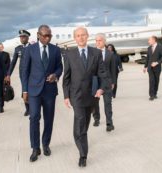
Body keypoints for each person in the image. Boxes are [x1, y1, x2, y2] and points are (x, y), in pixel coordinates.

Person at [62, 27, 108, 167]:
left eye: (83, 35)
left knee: (84, 123)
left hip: (92, 95)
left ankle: (79, 136)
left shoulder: (96, 53)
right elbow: (67, 77)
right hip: (76, 95)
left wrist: (101, 88)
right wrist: (66, 96)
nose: (81, 38)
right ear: (75, 38)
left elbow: (102, 73)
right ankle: (83, 155)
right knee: (81, 121)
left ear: (88, 36)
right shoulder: (69, 54)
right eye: (78, 35)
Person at [22, 25, 63, 162]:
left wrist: (55, 75)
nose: (47, 38)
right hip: (33, 90)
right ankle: (35, 148)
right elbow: (24, 71)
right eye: (45, 35)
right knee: (34, 117)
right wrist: (25, 90)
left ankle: (45, 144)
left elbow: (59, 67)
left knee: (49, 118)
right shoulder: (29, 50)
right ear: (38, 35)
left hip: (50, 90)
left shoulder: (55, 50)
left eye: (49, 36)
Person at [92, 33, 116, 132]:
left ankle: (109, 123)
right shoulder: (92, 53)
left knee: (108, 103)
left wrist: (113, 82)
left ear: (104, 41)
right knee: (94, 103)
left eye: (100, 40)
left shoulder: (110, 54)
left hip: (107, 82)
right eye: (96, 40)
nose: (98, 42)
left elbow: (113, 69)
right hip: (95, 82)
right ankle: (96, 119)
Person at [5, 29, 31, 116]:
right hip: (23, 74)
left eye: (23, 37)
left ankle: (33, 107)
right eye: (21, 37)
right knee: (24, 91)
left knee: (31, 91)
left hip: (33, 74)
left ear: (27, 38)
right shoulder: (18, 49)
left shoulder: (33, 47)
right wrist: (8, 74)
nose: (22, 38)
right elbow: (13, 63)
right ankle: (28, 109)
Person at [143, 36, 162, 100]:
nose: (148, 41)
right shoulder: (149, 48)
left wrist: (157, 63)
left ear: (153, 40)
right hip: (150, 68)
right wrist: (145, 67)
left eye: (149, 40)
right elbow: (147, 58)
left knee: (156, 81)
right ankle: (151, 95)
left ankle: (155, 93)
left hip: (157, 68)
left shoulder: (160, 47)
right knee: (151, 80)